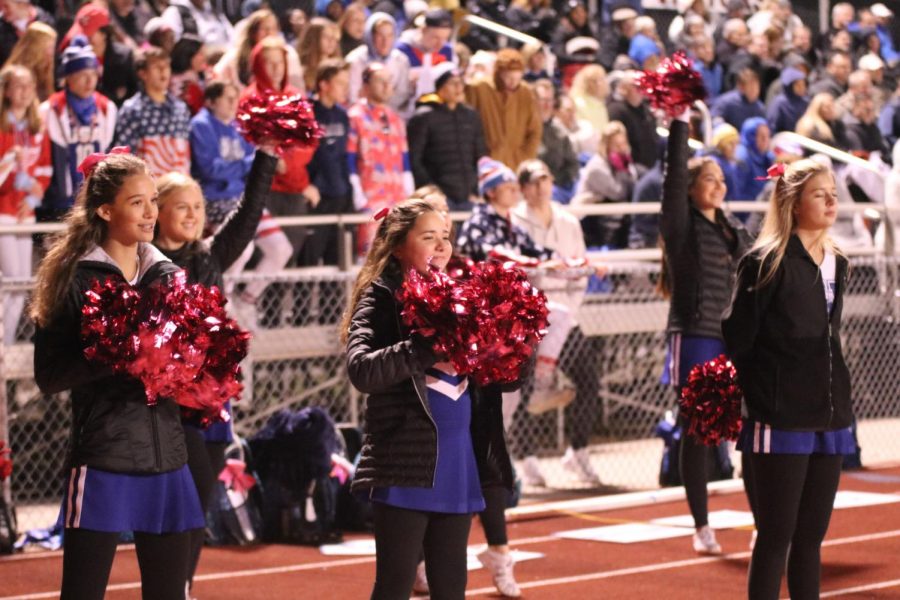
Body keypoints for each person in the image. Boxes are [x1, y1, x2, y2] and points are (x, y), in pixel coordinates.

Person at [30, 150, 204, 600]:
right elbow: (48, 375)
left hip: (168, 455)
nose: (152, 213)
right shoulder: (73, 278)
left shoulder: (168, 275)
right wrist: (116, 354)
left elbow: (184, 368)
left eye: (152, 201)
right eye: (138, 203)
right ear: (106, 210)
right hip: (105, 453)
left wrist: (196, 369)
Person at [343, 198, 516, 600]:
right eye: (428, 238)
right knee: (395, 585)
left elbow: (501, 382)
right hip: (406, 459)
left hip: (458, 458)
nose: (441, 246)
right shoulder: (381, 297)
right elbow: (362, 370)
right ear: (398, 245)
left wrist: (509, 348)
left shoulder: (463, 297)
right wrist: (424, 347)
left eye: (446, 237)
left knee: (452, 585)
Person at [723, 158, 854, 599]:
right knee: (775, 539)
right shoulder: (765, 261)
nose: (832, 200)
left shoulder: (839, 261)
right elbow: (738, 337)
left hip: (829, 414)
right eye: (820, 194)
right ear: (795, 204)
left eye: (833, 192)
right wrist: (763, 395)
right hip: (779, 417)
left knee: (811, 541)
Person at [154, 139, 278, 596]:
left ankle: (181, 585)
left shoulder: (208, 256)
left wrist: (266, 155)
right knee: (187, 496)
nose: (191, 215)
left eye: (197, 207)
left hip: (208, 399)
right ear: (156, 211)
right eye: (180, 207)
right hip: (165, 399)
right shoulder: (143, 261)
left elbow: (248, 215)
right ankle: (172, 585)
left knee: (200, 500)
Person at [659, 109, 752, 556]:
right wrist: (679, 124)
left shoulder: (734, 229)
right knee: (696, 429)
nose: (719, 185)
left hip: (731, 337)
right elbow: (673, 178)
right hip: (694, 334)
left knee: (746, 425)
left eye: (721, 179)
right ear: (691, 189)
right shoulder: (681, 225)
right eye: (709, 179)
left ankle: (763, 518)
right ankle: (701, 526)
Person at [512, 158, 603, 485]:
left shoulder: (568, 221)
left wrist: (568, 309)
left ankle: (577, 451)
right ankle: (527, 457)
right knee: (525, 388)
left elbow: (580, 269)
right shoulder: (516, 220)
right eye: (533, 182)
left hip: (566, 314)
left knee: (589, 380)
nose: (540, 188)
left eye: (545, 180)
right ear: (523, 188)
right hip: (531, 316)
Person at [40, 38, 118, 222]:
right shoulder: (49, 109)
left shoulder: (107, 108)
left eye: (93, 73)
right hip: (59, 204)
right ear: (67, 77)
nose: (90, 80)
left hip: (97, 200)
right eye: (82, 74)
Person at [0, 65, 51, 346]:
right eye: (18, 86)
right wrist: (8, 160)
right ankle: (4, 345)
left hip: (26, 214)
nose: (24, 92)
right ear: (6, 91)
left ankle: (6, 344)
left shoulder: (36, 128)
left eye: (29, 86)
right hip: (4, 213)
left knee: (22, 284)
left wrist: (33, 197)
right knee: (14, 283)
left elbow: (44, 170)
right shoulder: (2, 127)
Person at [347, 62, 414, 254]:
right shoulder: (355, 116)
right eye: (380, 82)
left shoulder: (395, 119)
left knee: (398, 248)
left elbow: (404, 157)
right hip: (371, 195)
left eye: (388, 81)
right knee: (372, 249)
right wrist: (356, 189)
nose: (386, 86)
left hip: (397, 194)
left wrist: (409, 185)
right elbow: (350, 155)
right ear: (366, 86)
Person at [407, 63, 486, 211]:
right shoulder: (424, 116)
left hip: (468, 197)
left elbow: (480, 155)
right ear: (439, 87)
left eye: (460, 82)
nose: (458, 87)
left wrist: (475, 188)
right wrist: (431, 191)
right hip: (439, 199)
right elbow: (414, 159)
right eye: (452, 83)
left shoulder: (471, 116)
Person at [114, 45, 191, 177]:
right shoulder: (133, 109)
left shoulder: (180, 108)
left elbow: (185, 153)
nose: (163, 71)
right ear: (142, 73)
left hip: (177, 186)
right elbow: (124, 155)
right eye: (156, 67)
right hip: (149, 186)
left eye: (166, 66)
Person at [305, 59, 353, 267]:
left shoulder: (342, 115)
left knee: (339, 258)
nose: (346, 89)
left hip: (341, 194)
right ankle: (303, 301)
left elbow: (343, 154)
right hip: (317, 196)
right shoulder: (307, 112)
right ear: (324, 85)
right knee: (311, 256)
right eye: (341, 83)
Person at [465, 48, 542, 170]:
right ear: (498, 73)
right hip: (485, 161)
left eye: (517, 78)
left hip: (515, 163)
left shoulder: (525, 92)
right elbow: (467, 124)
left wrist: (525, 157)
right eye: (508, 77)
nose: (513, 83)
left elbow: (535, 130)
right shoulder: (479, 89)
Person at [572, 120, 642, 249]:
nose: (622, 149)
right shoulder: (596, 167)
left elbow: (634, 187)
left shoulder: (625, 161)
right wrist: (622, 170)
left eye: (623, 144)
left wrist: (625, 167)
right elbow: (618, 193)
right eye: (616, 145)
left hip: (613, 219)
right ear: (606, 146)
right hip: (592, 222)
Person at [211, 8, 304, 92]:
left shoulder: (288, 54)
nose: (269, 33)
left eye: (273, 29)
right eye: (264, 28)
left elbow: (298, 87)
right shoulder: (234, 56)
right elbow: (217, 78)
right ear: (253, 32)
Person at [345, 12, 410, 115]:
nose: (385, 41)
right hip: (362, 115)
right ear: (370, 36)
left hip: (392, 114)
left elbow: (402, 93)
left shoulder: (401, 60)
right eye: (380, 35)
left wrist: (384, 110)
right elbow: (352, 95)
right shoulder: (355, 60)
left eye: (390, 35)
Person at [3, 21, 57, 102]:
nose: (51, 53)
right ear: (35, 47)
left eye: (52, 47)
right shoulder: (15, 74)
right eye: (48, 47)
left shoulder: (45, 72)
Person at [296, 16, 340, 93]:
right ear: (313, 39)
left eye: (334, 37)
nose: (331, 41)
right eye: (326, 37)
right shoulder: (301, 71)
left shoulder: (338, 69)